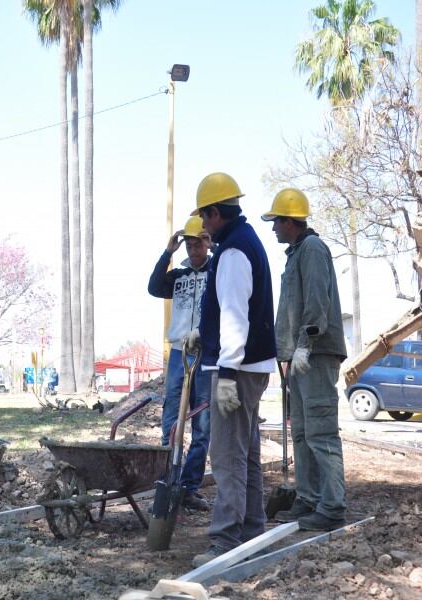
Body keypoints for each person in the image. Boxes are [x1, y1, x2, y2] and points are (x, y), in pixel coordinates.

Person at [186, 172, 277, 567]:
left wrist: (225, 371)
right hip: (248, 366)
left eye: (205, 218)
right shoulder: (244, 242)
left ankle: (226, 539)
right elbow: (229, 310)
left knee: (227, 456)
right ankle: (253, 529)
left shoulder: (234, 251)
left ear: (217, 212)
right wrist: (202, 335)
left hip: (237, 370)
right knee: (247, 453)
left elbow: (236, 315)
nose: (203, 227)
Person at [262, 188, 347, 531]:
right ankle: (309, 499)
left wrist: (305, 345)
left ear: (290, 220)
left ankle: (333, 505)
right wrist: (289, 352)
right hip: (299, 357)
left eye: (276, 222)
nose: (273, 229)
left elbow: (316, 302)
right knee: (301, 431)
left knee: (321, 431)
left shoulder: (312, 250)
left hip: (315, 355)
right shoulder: (297, 253)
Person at [147, 215, 213, 511]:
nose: (193, 248)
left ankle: (189, 487)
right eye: (188, 243)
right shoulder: (179, 275)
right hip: (178, 352)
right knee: (171, 417)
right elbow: (153, 287)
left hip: (206, 350)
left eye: (198, 242)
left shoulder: (217, 269)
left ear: (207, 243)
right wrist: (167, 252)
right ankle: (167, 481)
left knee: (202, 422)